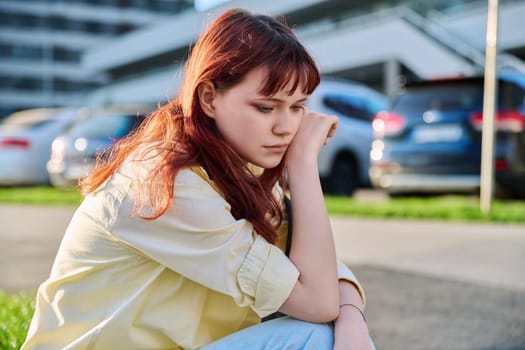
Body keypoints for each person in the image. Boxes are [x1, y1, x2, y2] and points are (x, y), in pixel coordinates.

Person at [22, 8, 374, 350]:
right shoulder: (166, 184)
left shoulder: (240, 171)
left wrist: (350, 316)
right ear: (209, 98)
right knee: (314, 338)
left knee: (329, 333)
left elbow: (320, 273)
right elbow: (316, 301)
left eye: (297, 107)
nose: (285, 128)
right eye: (266, 108)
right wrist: (302, 164)